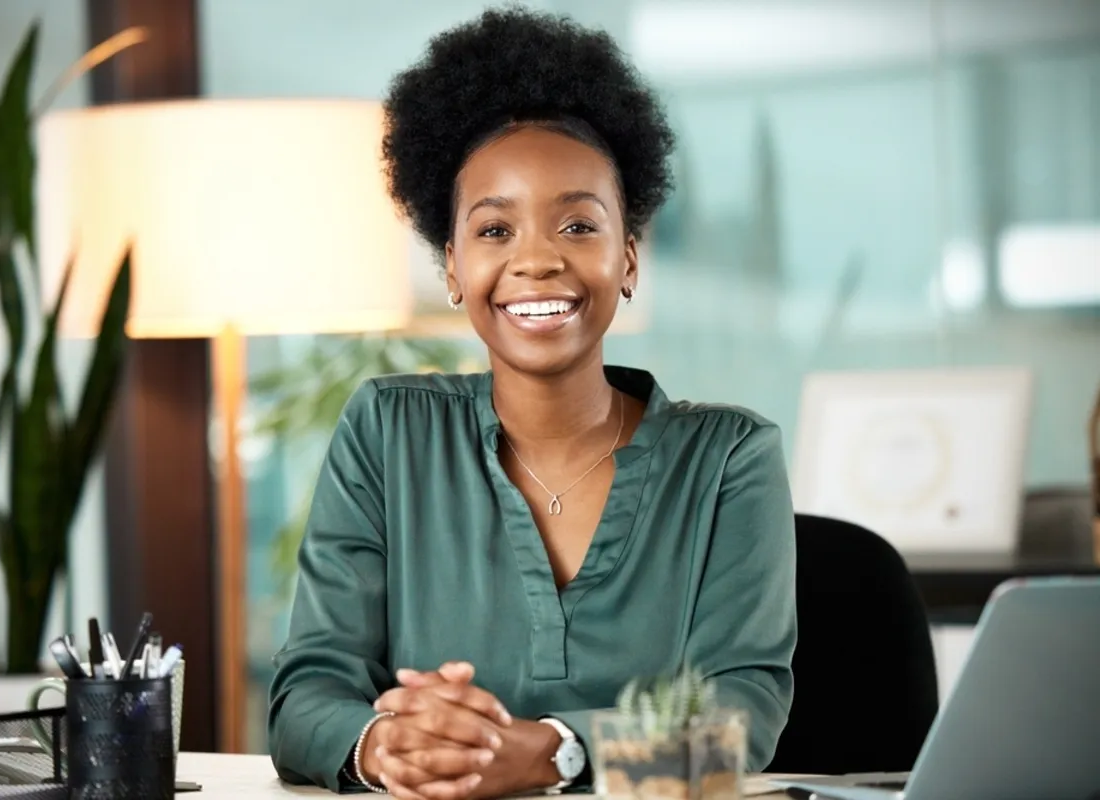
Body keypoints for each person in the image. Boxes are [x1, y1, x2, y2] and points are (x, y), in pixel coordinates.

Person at [268, 8, 797, 799]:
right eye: (494, 231)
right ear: (451, 268)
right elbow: (306, 697)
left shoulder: (729, 458)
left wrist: (556, 752)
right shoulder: (386, 431)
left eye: (577, 224)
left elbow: (738, 720)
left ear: (626, 258)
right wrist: (389, 747)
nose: (537, 260)